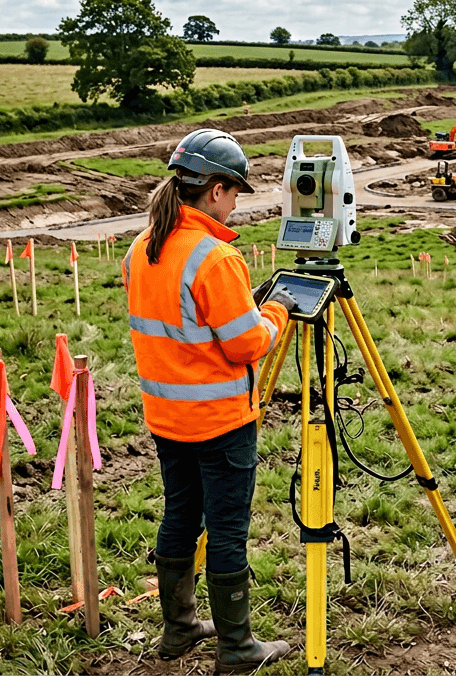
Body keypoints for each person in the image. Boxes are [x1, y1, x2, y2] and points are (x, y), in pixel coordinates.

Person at [122, 128, 297, 673]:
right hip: (220, 422)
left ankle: (177, 630)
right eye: (236, 192)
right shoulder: (215, 258)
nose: (236, 203)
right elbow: (246, 343)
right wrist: (277, 312)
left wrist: (246, 308)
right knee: (226, 530)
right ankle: (237, 648)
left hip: (167, 417)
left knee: (180, 517)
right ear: (216, 189)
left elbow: (185, 325)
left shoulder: (141, 247)